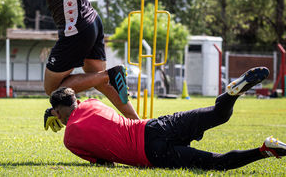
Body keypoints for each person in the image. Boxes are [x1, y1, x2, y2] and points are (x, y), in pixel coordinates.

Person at [9, 0, 139, 129]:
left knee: (52, 89)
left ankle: (111, 73)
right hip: (90, 24)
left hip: (75, 30)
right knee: (101, 82)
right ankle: (139, 124)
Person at [49, 67, 286, 170]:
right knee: (218, 114)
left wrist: (55, 117)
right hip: (154, 126)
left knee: (216, 162)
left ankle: (266, 150)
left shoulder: (70, 140)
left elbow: (105, 163)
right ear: (76, 101)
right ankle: (232, 92)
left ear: (58, 113)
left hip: (150, 153)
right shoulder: (93, 103)